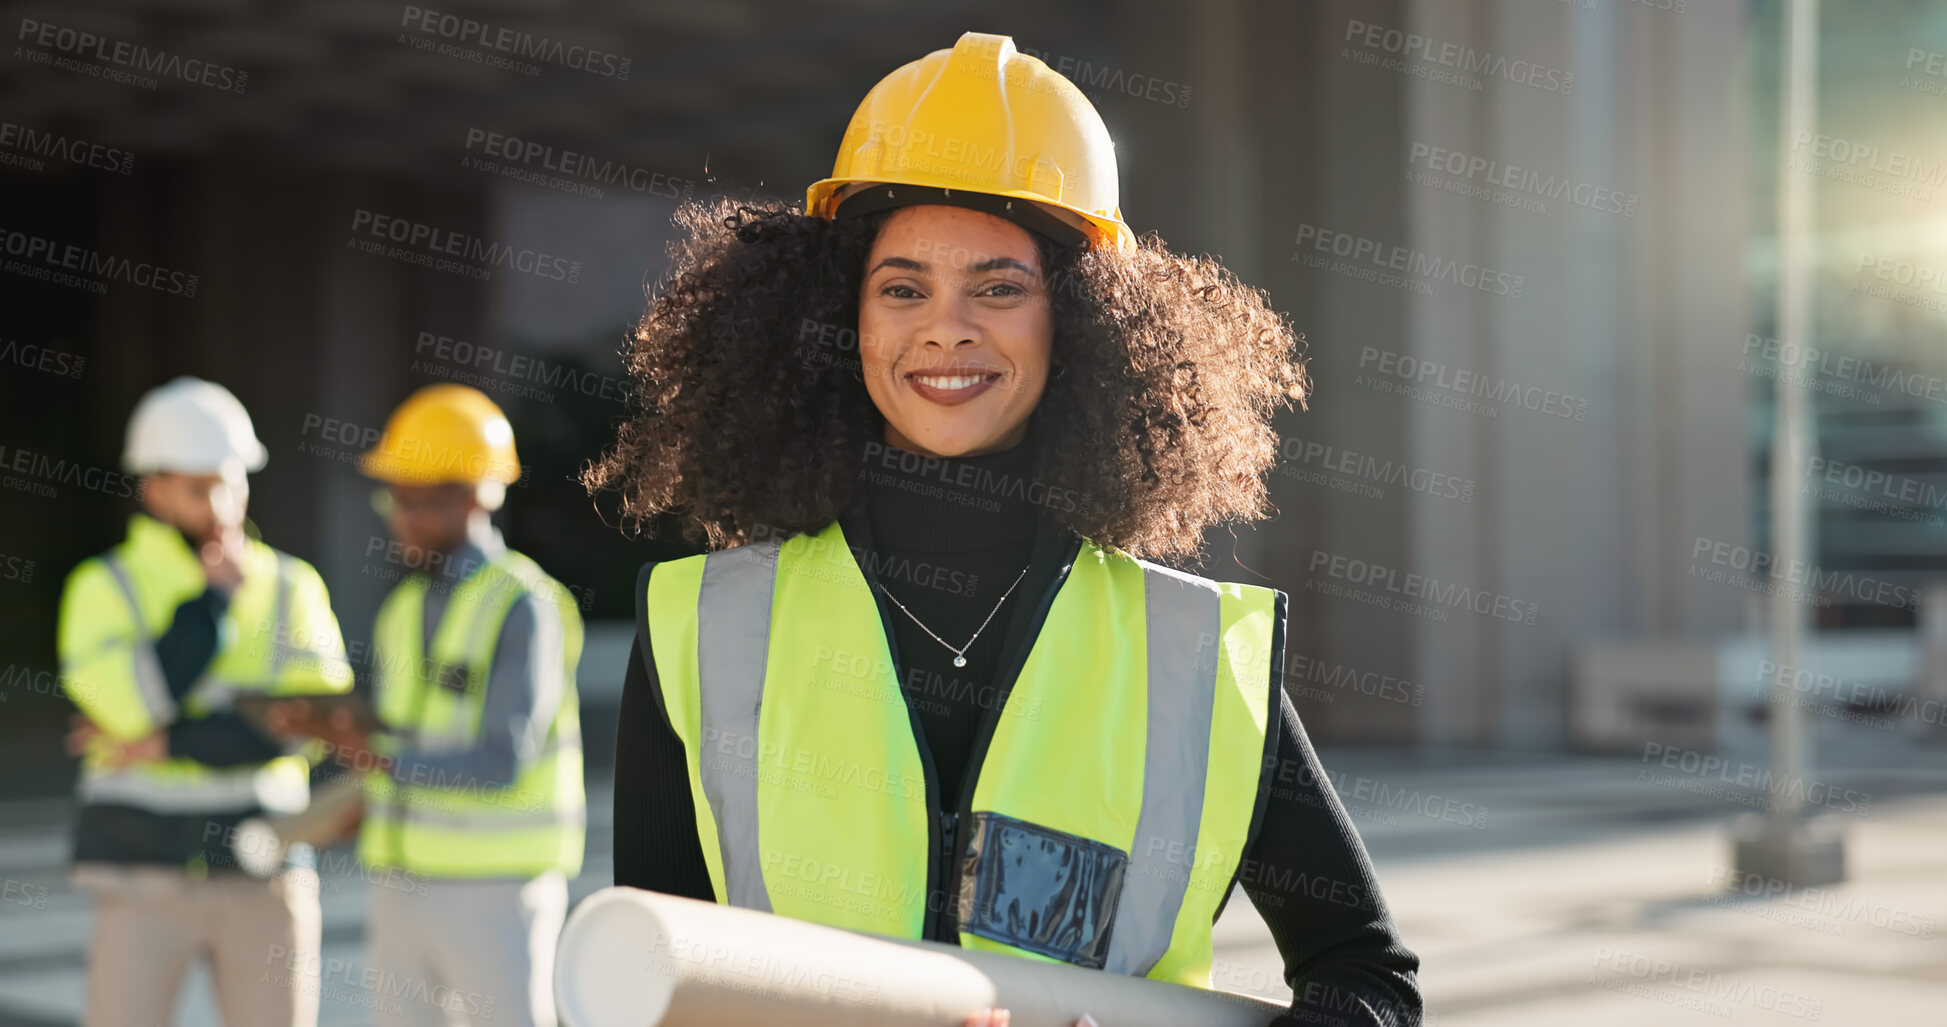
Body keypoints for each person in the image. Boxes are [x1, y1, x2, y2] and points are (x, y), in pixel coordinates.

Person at [588, 32, 1422, 1027]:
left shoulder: (1193, 655)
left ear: (1078, 320)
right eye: (903, 288)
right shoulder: (703, 625)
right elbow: (645, 983)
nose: (947, 328)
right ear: (836, 318)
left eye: (999, 287)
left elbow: (1367, 984)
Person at [279, 383, 585, 1027]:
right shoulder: (402, 610)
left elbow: (502, 759)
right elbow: (402, 736)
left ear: (476, 496)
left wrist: (385, 762)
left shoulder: (523, 604)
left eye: (420, 501)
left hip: (496, 889)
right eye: (395, 498)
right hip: (400, 881)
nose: (402, 517)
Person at [57, 376, 354, 1027]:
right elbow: (129, 707)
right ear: (153, 489)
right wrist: (212, 605)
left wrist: (167, 741)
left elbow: (310, 725)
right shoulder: (103, 586)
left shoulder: (291, 587)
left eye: (232, 481)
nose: (221, 503)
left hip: (265, 868)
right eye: (198, 487)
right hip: (138, 871)